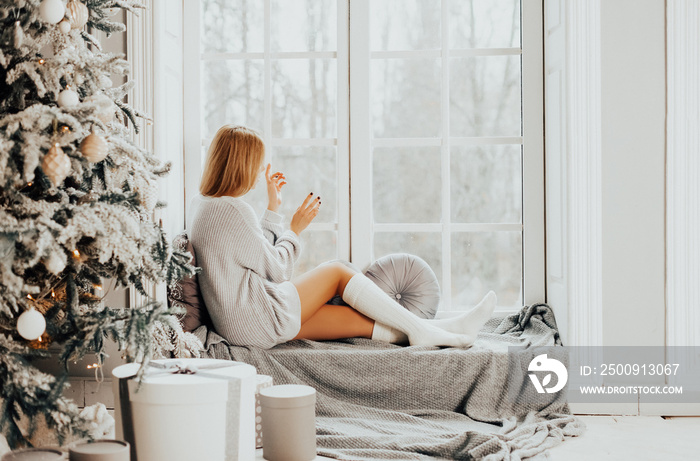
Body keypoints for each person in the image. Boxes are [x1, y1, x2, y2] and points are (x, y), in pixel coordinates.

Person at [189, 125, 497, 350]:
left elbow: (252, 255)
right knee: (338, 271)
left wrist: (273, 208)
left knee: (355, 321)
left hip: (242, 324)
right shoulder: (232, 210)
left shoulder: (204, 205)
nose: (258, 174)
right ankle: (428, 331)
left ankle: (446, 331)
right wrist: (295, 229)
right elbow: (277, 270)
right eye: (256, 166)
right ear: (240, 166)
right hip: (257, 317)